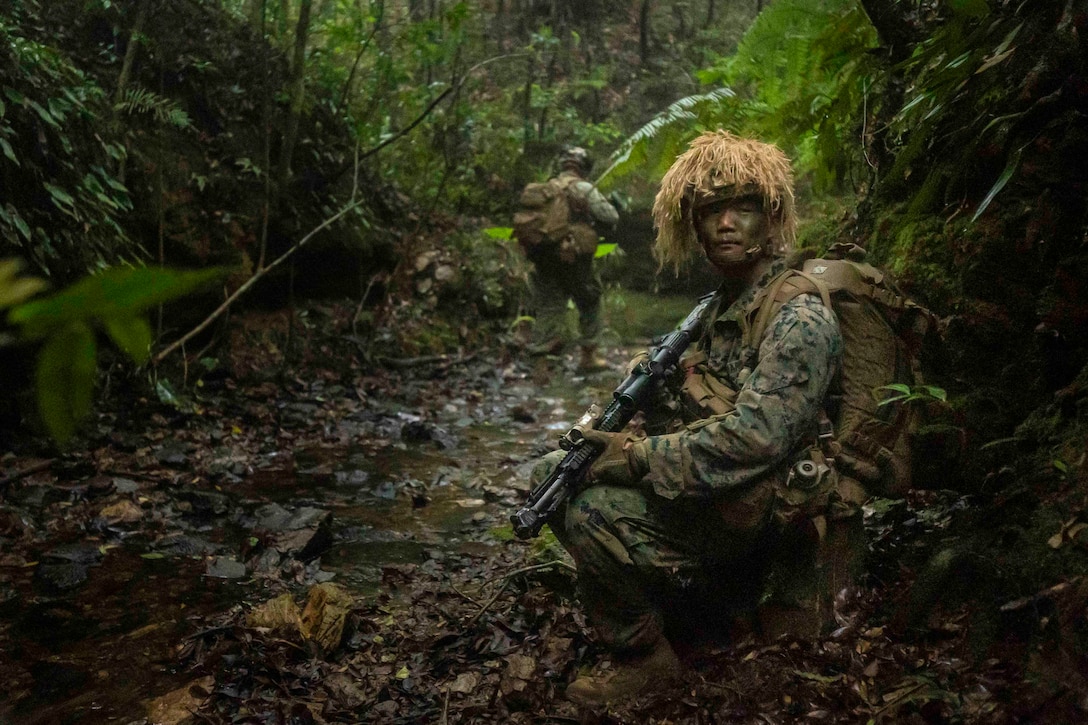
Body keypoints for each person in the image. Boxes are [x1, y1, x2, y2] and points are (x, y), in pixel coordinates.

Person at [530, 130, 863, 706]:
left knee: (593, 512)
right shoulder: (717, 309)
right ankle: (695, 607)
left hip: (769, 511)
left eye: (743, 207)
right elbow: (695, 407)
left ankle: (644, 658)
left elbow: (757, 438)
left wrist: (633, 457)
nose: (725, 223)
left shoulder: (799, 317)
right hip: (721, 496)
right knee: (553, 475)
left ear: (772, 216)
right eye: (711, 210)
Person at [516, 146, 619, 372]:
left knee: (550, 306)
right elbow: (610, 216)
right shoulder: (583, 188)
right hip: (572, 257)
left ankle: (540, 362)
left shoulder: (548, 188)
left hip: (543, 257)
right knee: (590, 301)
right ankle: (588, 357)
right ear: (584, 168)